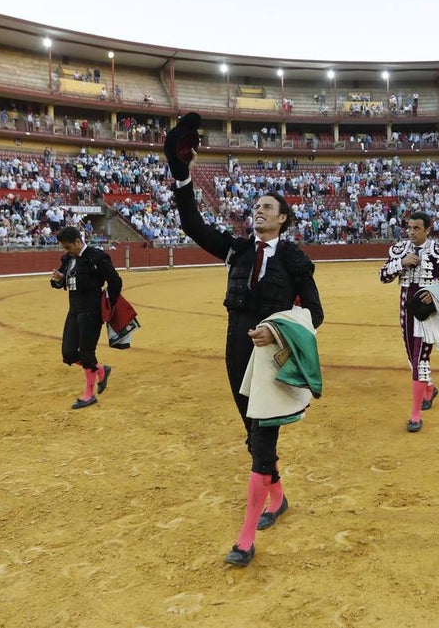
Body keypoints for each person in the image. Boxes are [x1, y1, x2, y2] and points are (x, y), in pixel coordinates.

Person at [165, 113, 324, 568]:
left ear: (284, 220)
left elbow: (315, 312)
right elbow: (193, 224)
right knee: (252, 435)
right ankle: (279, 498)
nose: (258, 210)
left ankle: (246, 536)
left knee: (261, 440)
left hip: (273, 356)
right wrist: (182, 176)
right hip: (236, 348)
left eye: (268, 208)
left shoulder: (295, 259)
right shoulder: (236, 249)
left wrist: (277, 329)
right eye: (256, 206)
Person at [379, 211, 439, 432]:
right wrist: (401, 263)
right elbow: (383, 276)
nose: (411, 232)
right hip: (406, 310)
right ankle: (429, 389)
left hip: (427, 314)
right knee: (412, 358)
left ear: (427, 230)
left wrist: (435, 295)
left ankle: (415, 415)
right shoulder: (399, 250)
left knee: (420, 359)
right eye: (409, 228)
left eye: (416, 228)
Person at [49, 225, 120, 409]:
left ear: (78, 242)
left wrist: (108, 304)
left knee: (87, 353)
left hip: (91, 309)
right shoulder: (68, 259)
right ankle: (101, 370)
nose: (66, 250)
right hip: (74, 309)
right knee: (69, 353)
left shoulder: (96, 256)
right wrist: (58, 279)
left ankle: (89, 394)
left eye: (68, 247)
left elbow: (115, 281)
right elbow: (66, 280)